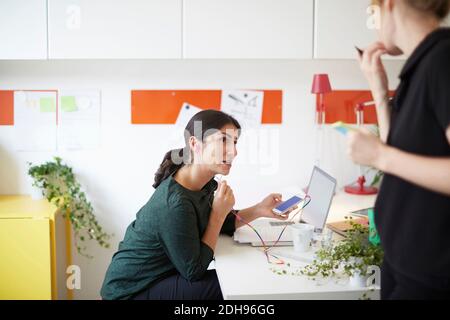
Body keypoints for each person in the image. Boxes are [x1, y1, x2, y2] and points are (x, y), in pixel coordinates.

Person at [100, 109, 294, 300]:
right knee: (233, 284)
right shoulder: (175, 203)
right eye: (223, 140)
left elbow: (219, 222)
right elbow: (194, 271)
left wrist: (259, 209)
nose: (233, 151)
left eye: (234, 142)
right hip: (131, 291)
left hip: (162, 276)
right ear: (195, 143)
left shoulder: (203, 184)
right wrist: (217, 215)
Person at [348, 0, 450, 299]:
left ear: (388, 4)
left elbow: (389, 157)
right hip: (402, 264)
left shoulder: (443, 60)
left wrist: (379, 154)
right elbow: (401, 159)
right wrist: (380, 93)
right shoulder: (420, 67)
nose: (374, 24)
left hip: (431, 278)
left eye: (371, 13)